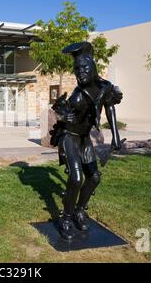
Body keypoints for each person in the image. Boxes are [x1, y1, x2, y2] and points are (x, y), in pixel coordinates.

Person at [49, 41, 123, 240]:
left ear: (93, 68)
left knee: (94, 178)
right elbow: (59, 111)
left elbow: (110, 107)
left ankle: (79, 210)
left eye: (84, 68)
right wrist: (64, 116)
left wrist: (115, 136)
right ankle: (66, 218)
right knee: (76, 178)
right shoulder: (77, 96)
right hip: (69, 137)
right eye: (76, 69)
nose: (80, 72)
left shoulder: (105, 88)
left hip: (83, 139)